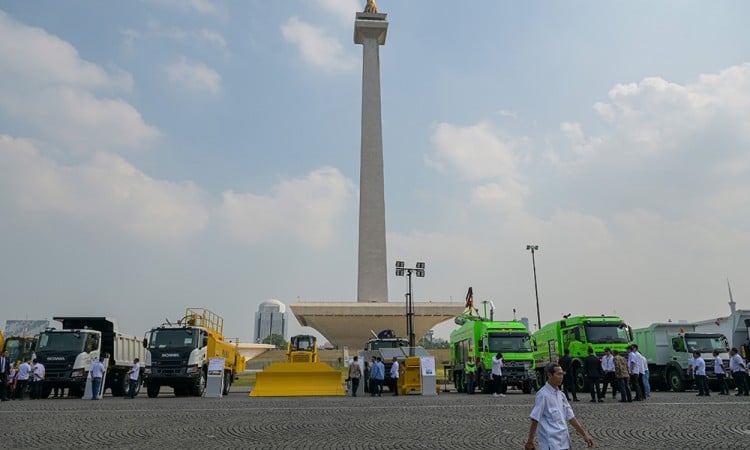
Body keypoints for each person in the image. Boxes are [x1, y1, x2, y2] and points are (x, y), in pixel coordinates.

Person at [525, 363, 595, 450]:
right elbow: (535, 419)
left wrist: (584, 434)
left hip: (564, 442)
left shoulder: (561, 395)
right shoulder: (543, 395)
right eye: (558, 374)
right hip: (551, 443)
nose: (561, 376)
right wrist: (530, 441)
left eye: (562, 374)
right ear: (549, 375)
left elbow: (571, 417)